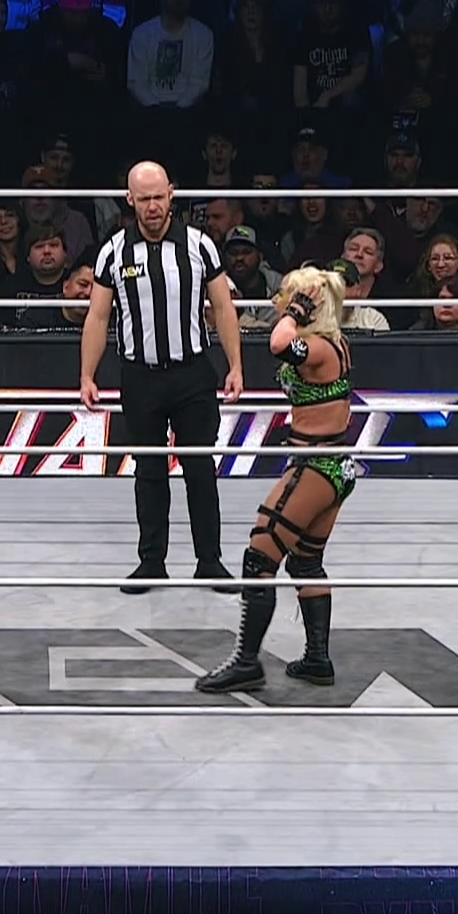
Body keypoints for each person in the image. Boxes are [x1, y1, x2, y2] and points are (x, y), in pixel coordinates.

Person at [80, 161, 245, 593]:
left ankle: (209, 561)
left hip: (193, 374)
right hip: (140, 376)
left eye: (158, 197)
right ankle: (151, 562)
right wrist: (87, 375)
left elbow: (223, 307)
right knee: (148, 471)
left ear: (171, 194)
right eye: (144, 199)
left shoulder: (200, 246)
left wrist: (236, 366)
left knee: (199, 468)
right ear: (129, 200)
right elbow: (98, 316)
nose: (152, 206)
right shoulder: (113, 251)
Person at [197, 263, 353, 693]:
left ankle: (246, 663)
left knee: (260, 555)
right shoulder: (334, 344)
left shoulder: (318, 348)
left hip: (316, 467)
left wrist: (297, 309)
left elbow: (278, 343)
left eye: (288, 296)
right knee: (305, 561)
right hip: (331, 466)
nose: (279, 303)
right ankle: (318, 659)